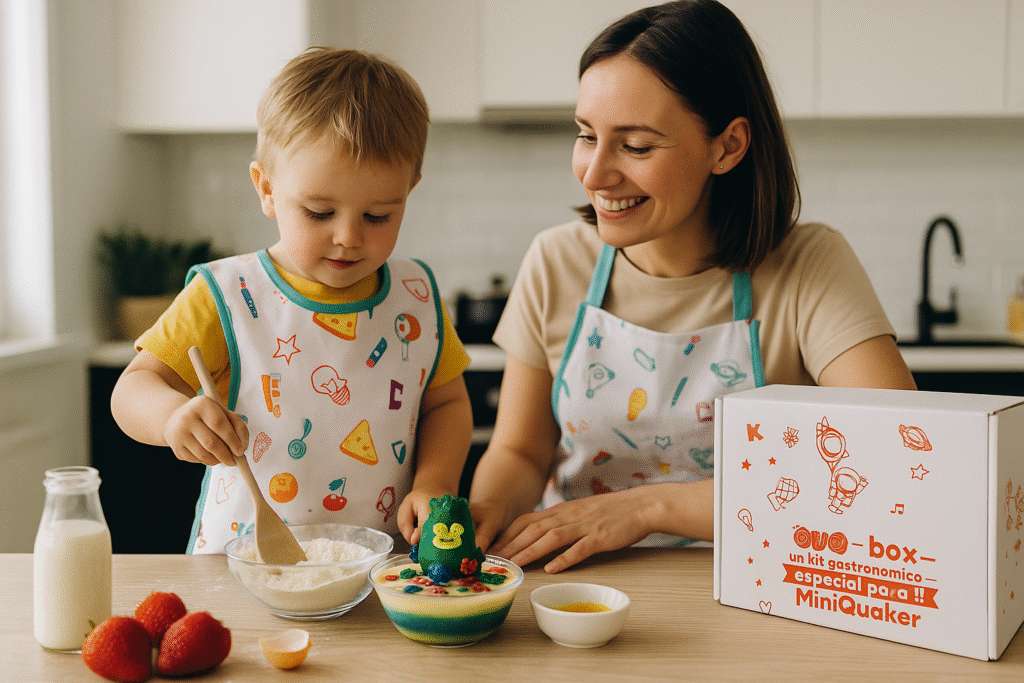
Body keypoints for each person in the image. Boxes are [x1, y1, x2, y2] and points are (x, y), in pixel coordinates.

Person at [469, 0, 916, 573]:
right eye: (586, 135)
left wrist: (648, 508)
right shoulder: (557, 260)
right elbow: (520, 451)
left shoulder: (809, 266)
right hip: (578, 589)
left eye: (635, 146)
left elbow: (895, 457)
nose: (594, 172)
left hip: (757, 582)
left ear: (727, 146)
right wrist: (485, 509)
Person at [111, 48, 473, 554]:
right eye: (319, 212)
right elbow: (133, 388)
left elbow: (448, 404)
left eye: (378, 216)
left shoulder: (416, 297)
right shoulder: (228, 296)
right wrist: (173, 418)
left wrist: (435, 482)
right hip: (244, 564)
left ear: (409, 189)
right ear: (266, 188)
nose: (348, 236)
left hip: (377, 567)